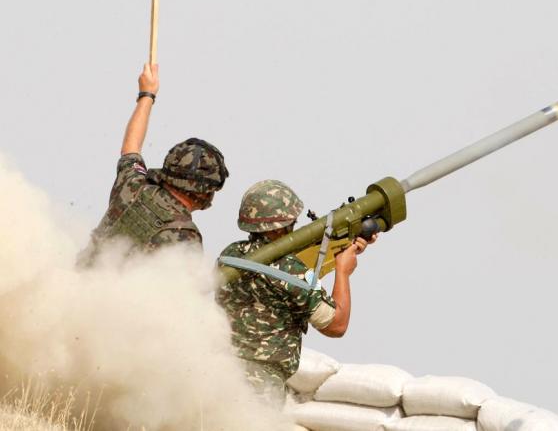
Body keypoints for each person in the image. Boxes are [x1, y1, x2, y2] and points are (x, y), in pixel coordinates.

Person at [216, 179, 376, 404]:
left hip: (220, 376)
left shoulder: (230, 254)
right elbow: (336, 325)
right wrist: (343, 271)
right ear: (282, 225)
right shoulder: (291, 273)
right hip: (260, 389)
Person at [78, 64, 229, 265]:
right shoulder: (184, 236)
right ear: (204, 192)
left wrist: (146, 94)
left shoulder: (133, 186)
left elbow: (130, 147)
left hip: (71, 285)